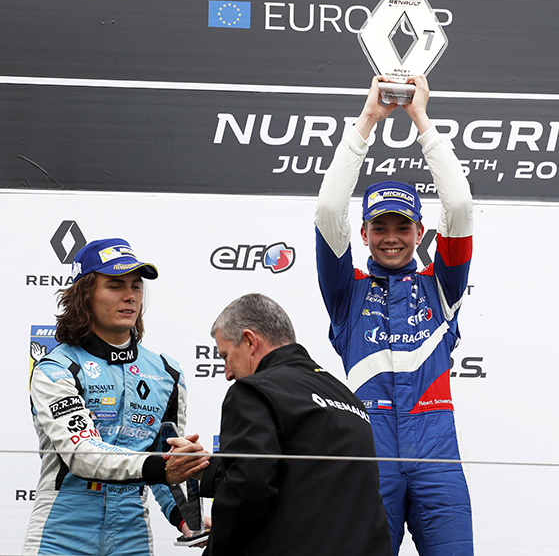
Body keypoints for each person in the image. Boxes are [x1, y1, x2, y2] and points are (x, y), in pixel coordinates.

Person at [315, 75, 475, 555]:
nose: (390, 237)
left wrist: (421, 118)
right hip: (371, 461)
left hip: (437, 462)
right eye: (379, 226)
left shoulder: (440, 286)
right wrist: (368, 118)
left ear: (420, 233)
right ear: (363, 234)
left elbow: (460, 205)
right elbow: (328, 208)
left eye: (402, 227)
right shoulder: (346, 292)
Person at [24, 238, 209, 556]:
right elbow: (82, 454)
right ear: (85, 295)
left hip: (131, 535)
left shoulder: (166, 372)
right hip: (62, 533)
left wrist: (187, 519)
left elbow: (166, 460)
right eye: (115, 285)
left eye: (136, 286)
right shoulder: (57, 368)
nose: (130, 296)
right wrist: (162, 468)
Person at [199, 293, 392, 555]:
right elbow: (307, 479)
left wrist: (215, 547)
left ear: (249, 341)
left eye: (225, 356)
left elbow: (249, 487)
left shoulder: (253, 391)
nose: (227, 373)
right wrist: (209, 468)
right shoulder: (349, 398)